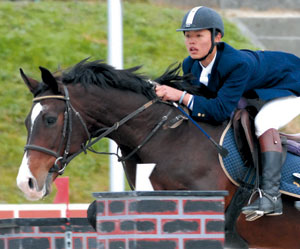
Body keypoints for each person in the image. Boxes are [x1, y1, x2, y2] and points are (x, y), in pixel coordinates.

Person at [155, 6, 300, 221]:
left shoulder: (236, 63)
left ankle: (270, 196)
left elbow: (219, 109)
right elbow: (202, 105)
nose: (191, 42)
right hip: (256, 91)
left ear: (217, 37)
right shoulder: (190, 65)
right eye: (187, 36)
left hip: (290, 86)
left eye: (199, 35)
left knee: (263, 121)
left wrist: (180, 96)